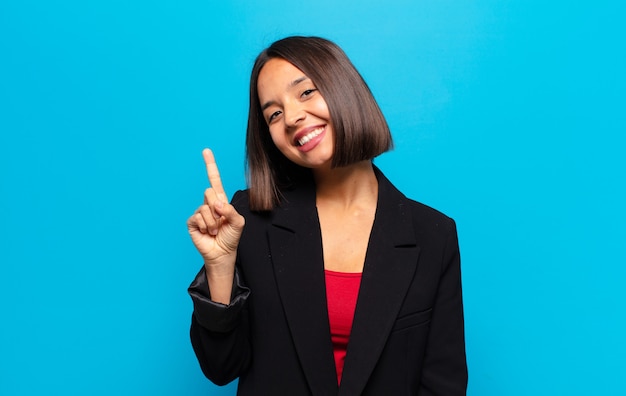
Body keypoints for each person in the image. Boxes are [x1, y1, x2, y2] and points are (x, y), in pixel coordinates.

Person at [187, 36, 467, 395]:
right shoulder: (247, 219)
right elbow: (221, 367)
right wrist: (221, 267)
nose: (292, 117)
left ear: (344, 88)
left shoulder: (433, 234)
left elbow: (443, 383)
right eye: (273, 113)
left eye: (305, 93)